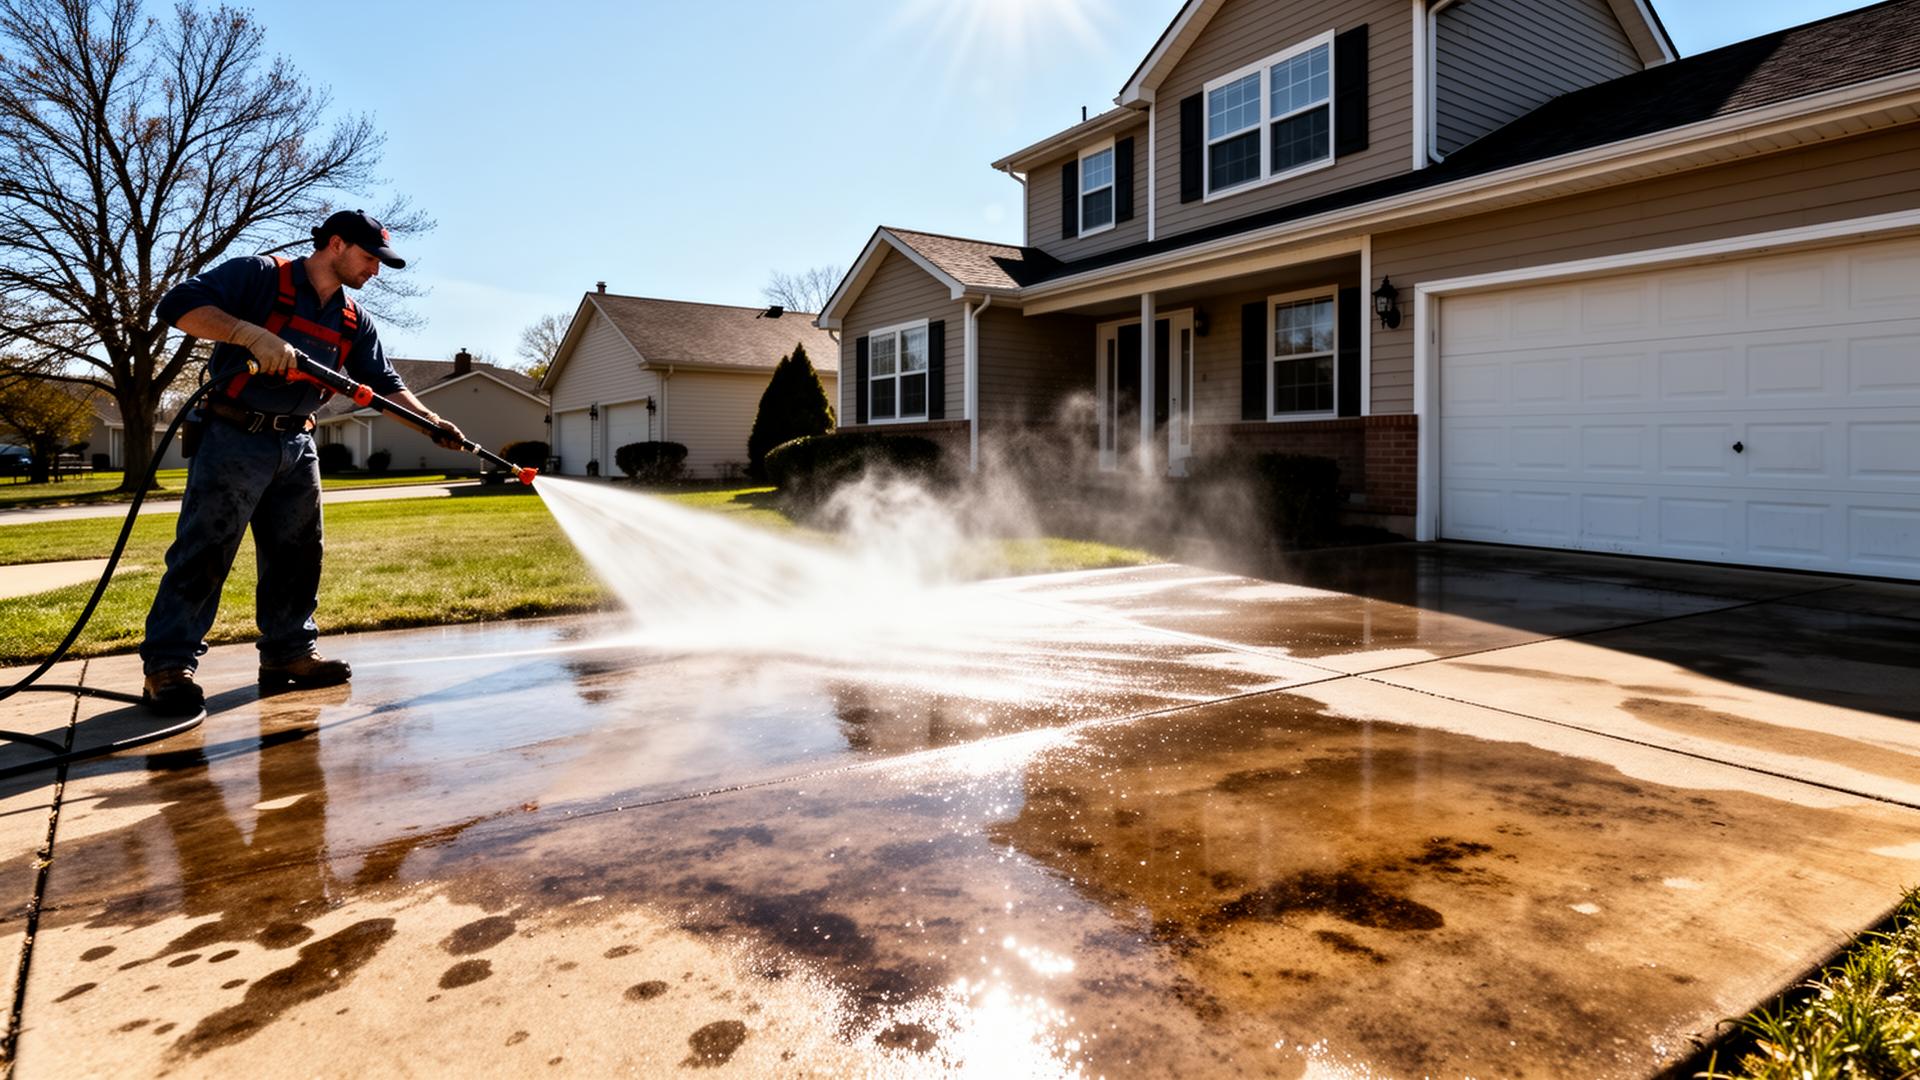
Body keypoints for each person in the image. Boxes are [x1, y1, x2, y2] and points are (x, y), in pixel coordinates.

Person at [140, 210, 464, 716]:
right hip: (233, 435)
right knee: (205, 552)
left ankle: (289, 653)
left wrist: (430, 421)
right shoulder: (260, 275)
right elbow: (177, 305)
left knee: (298, 555)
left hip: (298, 444)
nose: (374, 271)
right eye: (369, 258)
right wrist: (251, 335)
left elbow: (382, 384)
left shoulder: (353, 319)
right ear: (335, 244)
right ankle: (168, 666)